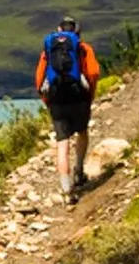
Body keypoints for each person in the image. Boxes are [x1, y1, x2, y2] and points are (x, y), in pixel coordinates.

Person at [36, 16, 102, 204]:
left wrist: (47, 100)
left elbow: (39, 78)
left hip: (56, 99)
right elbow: (94, 73)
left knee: (62, 143)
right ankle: (79, 171)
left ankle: (66, 190)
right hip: (79, 98)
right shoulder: (83, 48)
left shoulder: (48, 50)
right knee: (82, 132)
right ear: (77, 32)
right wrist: (90, 95)